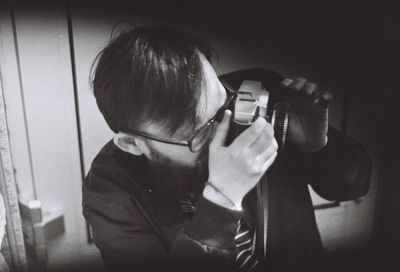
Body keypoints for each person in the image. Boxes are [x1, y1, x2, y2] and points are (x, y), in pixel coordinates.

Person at [82, 25, 371, 272]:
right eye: (200, 133)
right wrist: (220, 201)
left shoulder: (260, 95)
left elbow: (355, 187)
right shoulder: (109, 192)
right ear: (133, 143)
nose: (227, 126)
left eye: (223, 104)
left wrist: (319, 150)